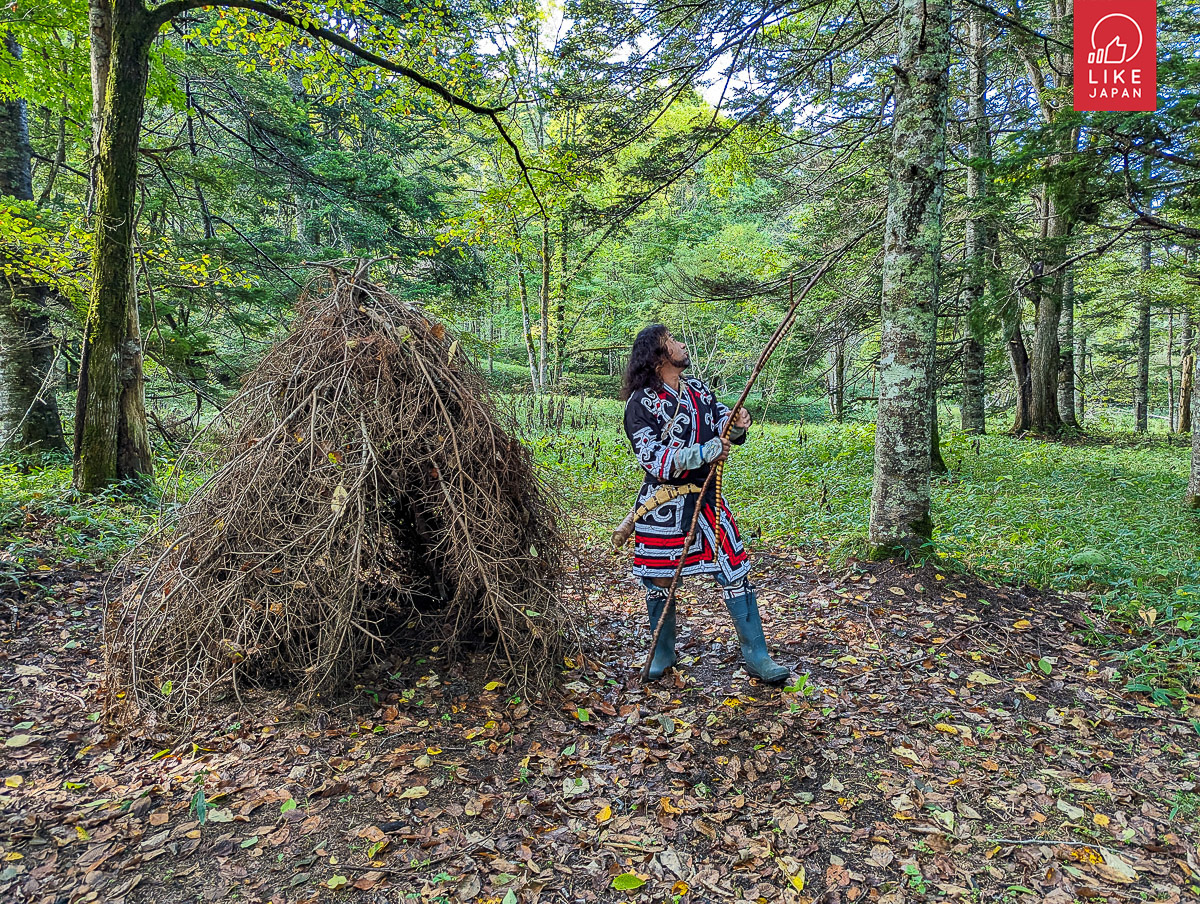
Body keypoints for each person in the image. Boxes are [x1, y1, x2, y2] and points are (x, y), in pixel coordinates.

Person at [621, 324, 790, 684]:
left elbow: (722, 424)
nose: (682, 345)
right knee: (659, 579)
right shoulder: (640, 404)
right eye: (673, 341)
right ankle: (663, 653)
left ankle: (757, 655)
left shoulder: (697, 389)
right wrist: (703, 452)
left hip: (708, 497)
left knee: (735, 570)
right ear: (657, 356)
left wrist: (738, 424)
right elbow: (653, 458)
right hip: (662, 504)